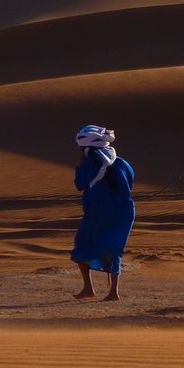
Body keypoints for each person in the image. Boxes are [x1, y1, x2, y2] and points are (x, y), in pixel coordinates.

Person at [71, 125, 136, 301]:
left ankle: (100, 290)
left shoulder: (91, 162)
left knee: (92, 247)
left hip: (106, 212)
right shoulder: (120, 161)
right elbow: (129, 182)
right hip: (112, 211)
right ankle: (105, 290)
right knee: (107, 248)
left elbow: (80, 184)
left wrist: (81, 167)